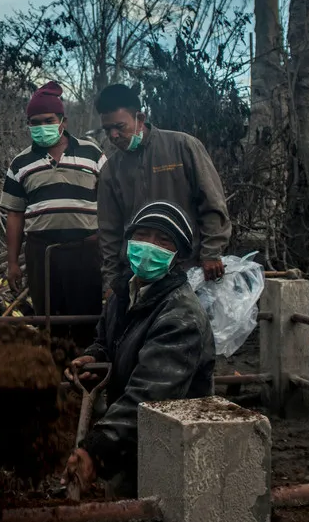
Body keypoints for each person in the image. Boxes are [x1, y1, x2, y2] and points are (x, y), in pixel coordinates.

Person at [63, 201, 215, 498]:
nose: (149, 246)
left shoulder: (180, 317)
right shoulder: (125, 293)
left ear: (178, 256)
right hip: (133, 439)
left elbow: (151, 395)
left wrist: (96, 445)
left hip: (173, 443)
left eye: (163, 241)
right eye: (142, 235)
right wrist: (96, 356)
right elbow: (108, 340)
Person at [95, 84, 231, 294]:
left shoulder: (183, 146)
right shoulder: (110, 171)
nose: (113, 135)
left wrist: (211, 253)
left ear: (140, 118)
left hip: (188, 269)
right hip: (137, 275)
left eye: (120, 126)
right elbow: (109, 231)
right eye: (107, 129)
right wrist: (111, 280)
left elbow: (212, 203)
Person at [0, 81, 106, 343]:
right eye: (34, 122)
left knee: (87, 319)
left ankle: (86, 372)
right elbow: (15, 214)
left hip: (85, 250)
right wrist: (13, 263)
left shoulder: (91, 153)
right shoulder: (21, 163)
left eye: (48, 120)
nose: (41, 127)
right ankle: (55, 375)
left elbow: (111, 201)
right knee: (49, 320)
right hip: (41, 253)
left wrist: (111, 251)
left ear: (63, 121)